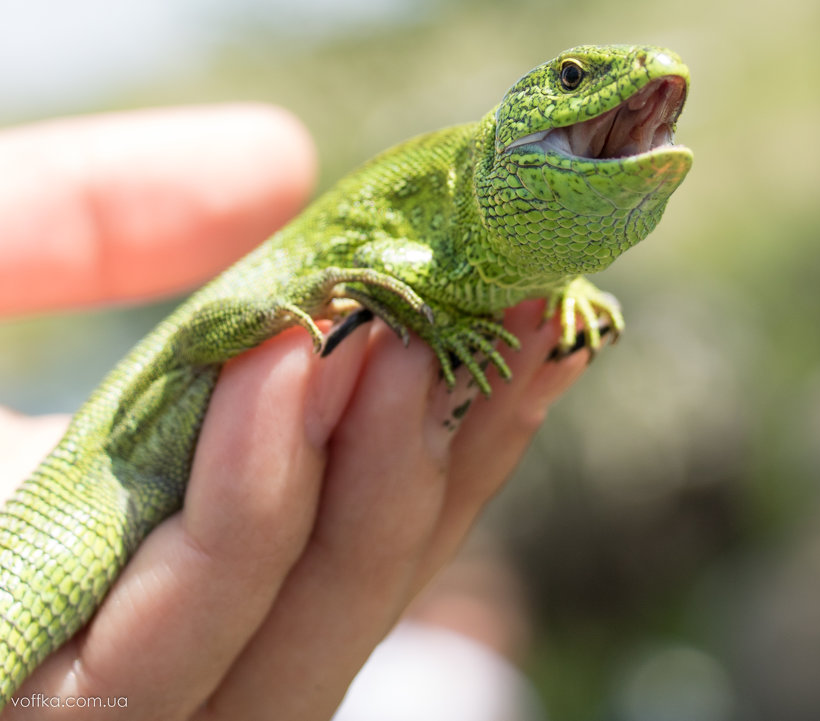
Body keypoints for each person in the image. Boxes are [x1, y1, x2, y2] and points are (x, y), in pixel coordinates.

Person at [0, 104, 590, 720]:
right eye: (571, 79)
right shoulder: (433, 233)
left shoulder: (516, 269)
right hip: (101, 480)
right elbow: (195, 340)